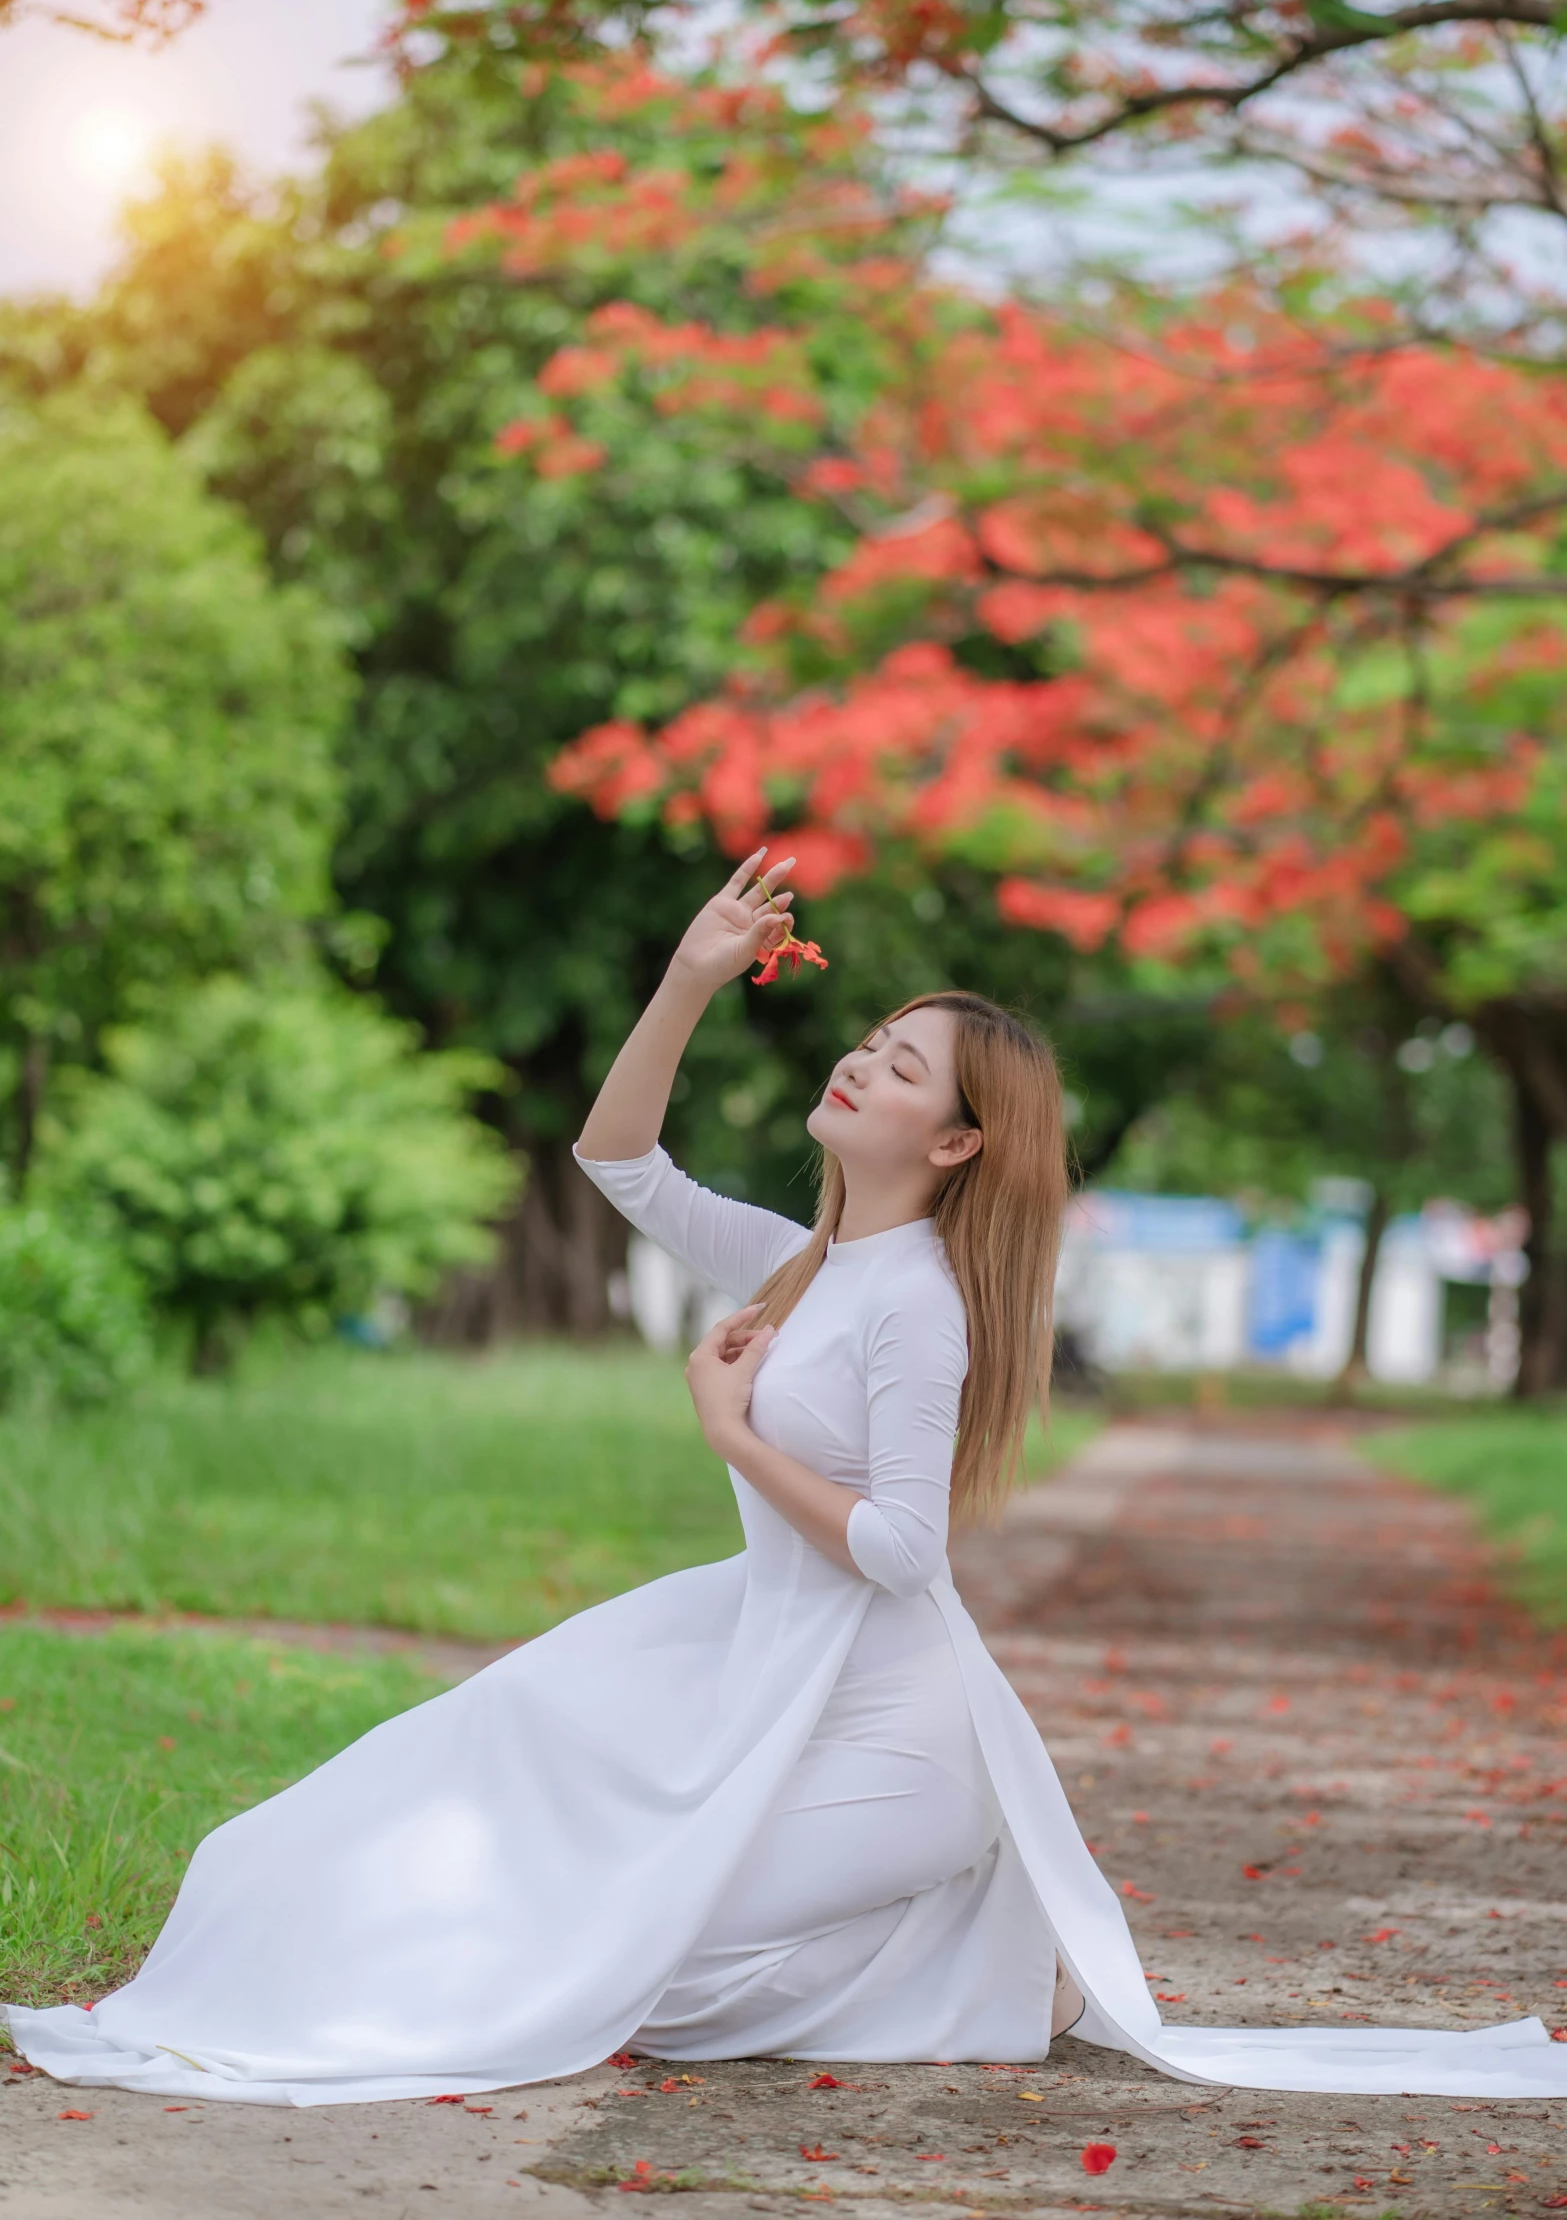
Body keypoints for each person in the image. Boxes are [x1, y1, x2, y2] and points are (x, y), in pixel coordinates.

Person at [8, 855, 1565, 2106]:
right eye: (867, 1039)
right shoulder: (803, 1260)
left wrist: (734, 1435)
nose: (856, 1061)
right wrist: (690, 976)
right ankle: (971, 1966)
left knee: (619, 1967)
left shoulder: (921, 1306)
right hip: (767, 1661)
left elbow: (899, 1548)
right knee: (519, 1827)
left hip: (897, 1735)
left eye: (897, 1067)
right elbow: (619, 1163)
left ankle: (985, 1973)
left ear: (955, 1143)